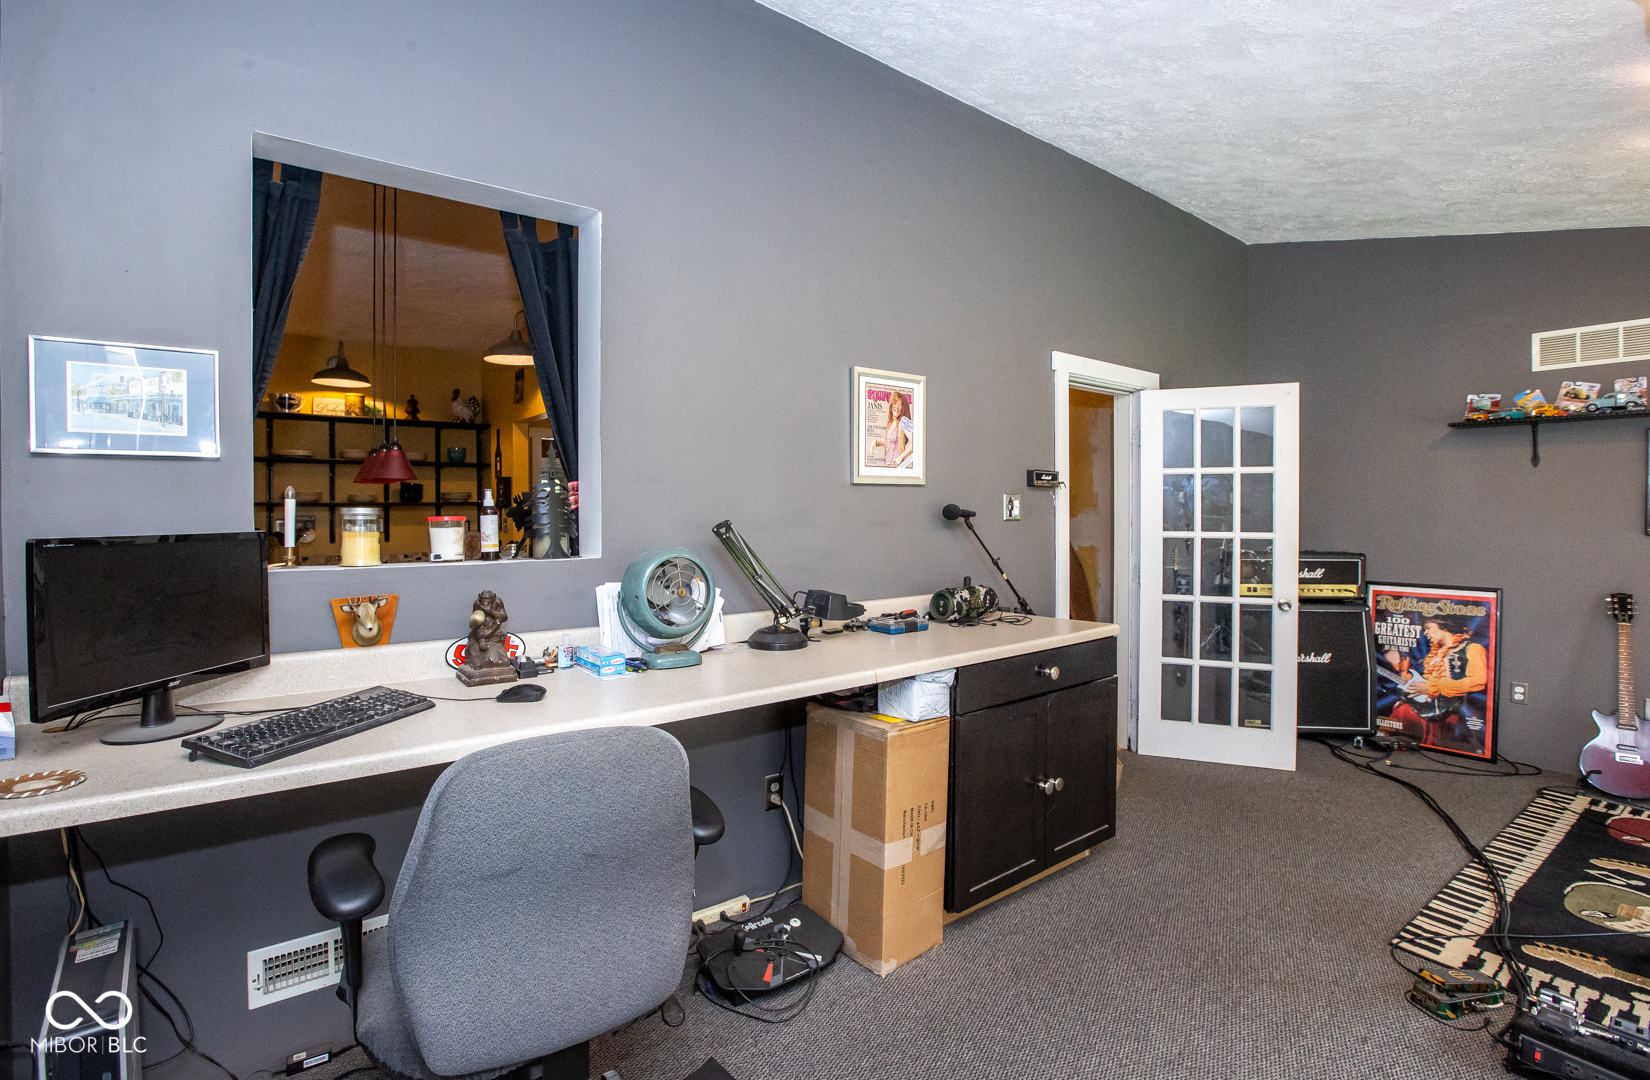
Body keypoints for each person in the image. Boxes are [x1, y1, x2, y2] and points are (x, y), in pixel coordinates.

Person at [1380, 615, 1489, 750]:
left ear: (1444, 627)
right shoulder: (1433, 654)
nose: (1425, 633)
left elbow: (1478, 681)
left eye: (1428, 628)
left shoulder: (1473, 648)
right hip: (1427, 709)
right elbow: (1422, 682)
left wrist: (1433, 687)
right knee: (1400, 713)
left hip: (1453, 713)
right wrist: (1404, 673)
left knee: (1405, 714)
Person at [883, 390, 914, 468]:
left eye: (899, 405)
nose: (896, 407)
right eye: (895, 403)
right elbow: (890, 441)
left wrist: (901, 457)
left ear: (902, 408)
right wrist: (876, 442)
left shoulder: (902, 423)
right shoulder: (890, 423)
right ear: (891, 405)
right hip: (888, 466)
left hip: (898, 467)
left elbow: (916, 443)